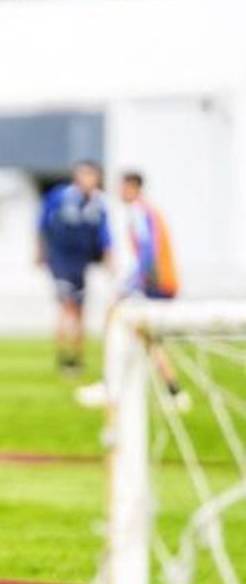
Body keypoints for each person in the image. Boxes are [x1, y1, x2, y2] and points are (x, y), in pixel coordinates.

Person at [75, 170, 187, 410]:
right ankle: (174, 391)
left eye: (123, 187)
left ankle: (109, 386)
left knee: (115, 317)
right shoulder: (148, 211)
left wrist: (132, 284)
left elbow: (148, 251)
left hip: (154, 284)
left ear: (134, 188)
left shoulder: (139, 211)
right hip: (161, 282)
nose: (120, 192)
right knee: (146, 337)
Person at [37, 160, 112, 373]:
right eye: (84, 175)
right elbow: (41, 225)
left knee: (80, 310)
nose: (88, 180)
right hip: (60, 260)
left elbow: (105, 237)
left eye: (92, 175)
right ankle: (63, 359)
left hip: (81, 262)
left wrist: (109, 260)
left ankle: (77, 359)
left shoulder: (98, 204)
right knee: (66, 306)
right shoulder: (60, 196)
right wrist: (40, 253)